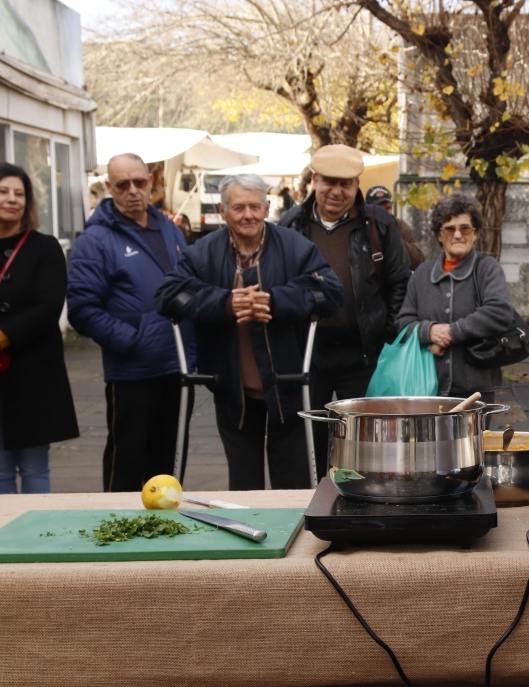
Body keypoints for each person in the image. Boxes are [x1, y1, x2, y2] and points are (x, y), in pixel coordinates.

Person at [156, 174, 342, 490]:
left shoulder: (295, 247)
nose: (248, 215)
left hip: (287, 382)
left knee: (294, 482)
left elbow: (331, 294)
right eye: (239, 207)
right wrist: (225, 302)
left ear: (267, 207)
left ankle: (296, 536)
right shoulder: (202, 252)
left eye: (255, 207)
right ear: (224, 211)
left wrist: (275, 300)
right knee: (244, 484)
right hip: (231, 385)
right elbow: (168, 296)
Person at [279, 145, 410, 479]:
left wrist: (388, 331)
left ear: (356, 186)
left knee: (364, 444)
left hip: (364, 354)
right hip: (309, 355)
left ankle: (363, 507)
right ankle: (310, 505)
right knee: (310, 440)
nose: (337, 192)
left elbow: (399, 282)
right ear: (315, 180)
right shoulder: (291, 225)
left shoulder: (378, 224)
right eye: (329, 182)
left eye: (346, 184)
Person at [68, 153, 190, 492]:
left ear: (150, 182)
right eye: (123, 184)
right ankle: (116, 526)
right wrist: (133, 339)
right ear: (110, 187)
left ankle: (165, 527)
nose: (133, 190)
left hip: (175, 363)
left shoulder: (168, 227)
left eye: (139, 182)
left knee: (169, 462)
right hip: (132, 371)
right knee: (127, 461)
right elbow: (82, 308)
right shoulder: (95, 240)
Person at [0, 163, 78, 493]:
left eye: (19, 193)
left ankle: (34, 537)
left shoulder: (44, 248)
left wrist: (5, 336)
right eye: (3, 191)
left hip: (33, 374)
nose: (12, 199)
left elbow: (48, 307)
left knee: (34, 467)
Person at [396, 194, 514, 404]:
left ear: (475, 233)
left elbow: (499, 312)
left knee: (474, 438)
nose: (458, 235)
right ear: (439, 235)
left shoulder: (487, 269)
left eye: (465, 228)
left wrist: (452, 332)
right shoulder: (422, 274)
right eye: (449, 229)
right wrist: (429, 331)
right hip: (427, 389)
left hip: (476, 391)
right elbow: (403, 324)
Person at [366, 185, 425, 269]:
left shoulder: (400, 226)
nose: (384, 213)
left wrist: (394, 238)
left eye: (388, 208)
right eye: (379, 209)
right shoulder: (362, 227)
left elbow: (419, 261)